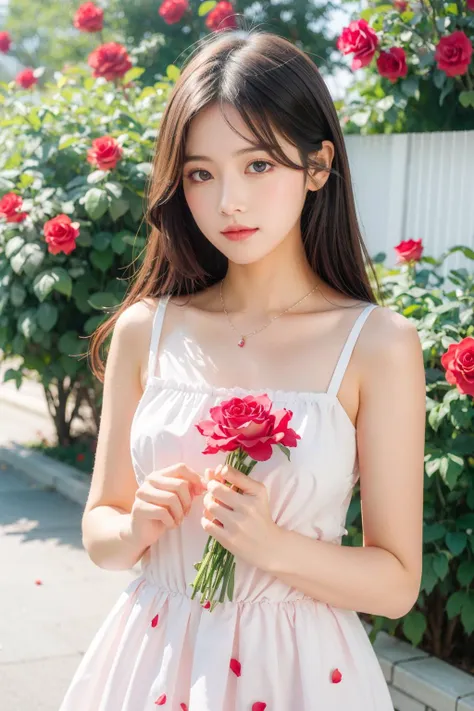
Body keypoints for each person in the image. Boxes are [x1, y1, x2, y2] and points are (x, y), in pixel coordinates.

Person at [59, 28, 426, 711]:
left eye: (258, 165)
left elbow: (397, 580)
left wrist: (270, 546)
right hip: (152, 661)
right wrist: (135, 527)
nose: (229, 200)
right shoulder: (149, 329)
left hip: (300, 676)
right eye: (201, 172)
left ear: (317, 166)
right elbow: (100, 531)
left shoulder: (376, 344)